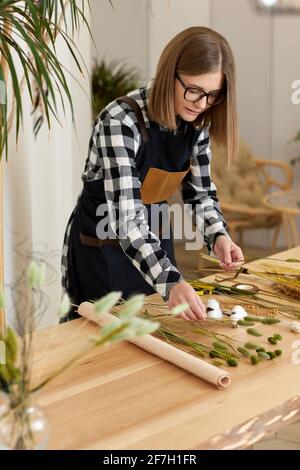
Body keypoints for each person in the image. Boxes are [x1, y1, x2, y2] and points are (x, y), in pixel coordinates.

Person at [60, 26, 244, 323]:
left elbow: (200, 194)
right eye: (194, 90)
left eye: (212, 95)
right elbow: (126, 219)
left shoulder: (197, 124)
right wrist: (170, 281)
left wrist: (218, 235)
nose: (201, 103)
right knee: (102, 343)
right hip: (102, 246)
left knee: (153, 335)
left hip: (154, 244)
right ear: (169, 72)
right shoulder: (120, 120)